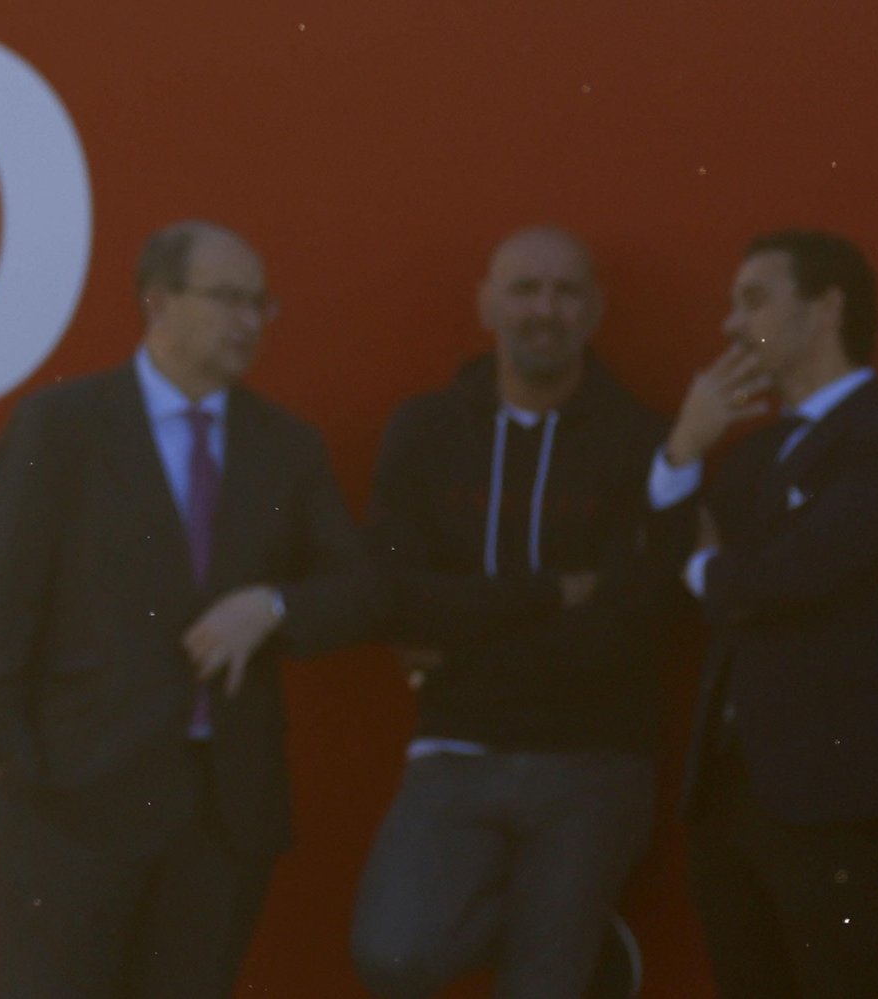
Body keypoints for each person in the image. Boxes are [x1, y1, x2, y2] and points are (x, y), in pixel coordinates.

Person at [0, 220, 378, 999]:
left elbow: (361, 589)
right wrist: (12, 764)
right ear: (158, 300)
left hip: (221, 812)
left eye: (260, 303)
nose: (249, 321)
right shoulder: (64, 427)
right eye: (228, 299)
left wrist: (274, 604)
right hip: (74, 801)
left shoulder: (285, 445)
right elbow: (0, 606)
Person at [351, 226, 694, 999]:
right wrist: (549, 593)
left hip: (595, 757)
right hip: (455, 750)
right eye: (524, 289)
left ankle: (562, 929)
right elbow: (393, 591)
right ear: (485, 304)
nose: (545, 309)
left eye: (566, 291)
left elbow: (629, 629)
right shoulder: (425, 429)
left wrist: (458, 642)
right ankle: (564, 922)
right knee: (392, 956)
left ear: (595, 309)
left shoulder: (644, 440)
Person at [666, 230, 878, 998]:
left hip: (834, 788)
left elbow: (796, 573)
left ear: (826, 309)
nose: (730, 325)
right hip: (728, 789)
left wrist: (708, 569)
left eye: (754, 300)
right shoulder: (754, 454)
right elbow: (664, 568)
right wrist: (684, 447)